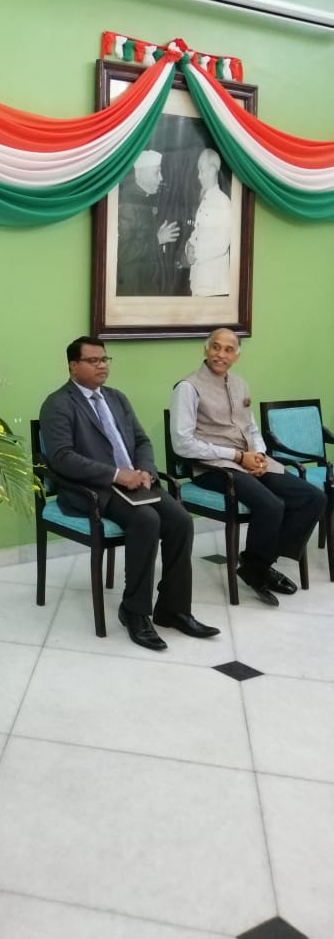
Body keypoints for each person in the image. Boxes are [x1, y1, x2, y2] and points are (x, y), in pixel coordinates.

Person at [40, 336, 218, 650]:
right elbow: (62, 458)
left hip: (135, 484)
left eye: (104, 359)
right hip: (94, 490)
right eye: (93, 361)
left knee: (180, 520)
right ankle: (134, 611)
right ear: (73, 366)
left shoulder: (117, 398)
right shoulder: (58, 404)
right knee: (146, 521)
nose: (102, 366)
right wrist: (116, 475)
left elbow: (142, 441)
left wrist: (146, 470)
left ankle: (173, 608)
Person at [170, 327, 326, 605]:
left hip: (249, 461)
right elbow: (182, 443)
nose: (221, 354)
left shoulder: (240, 384)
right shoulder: (187, 387)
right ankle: (258, 568)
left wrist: (260, 455)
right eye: (216, 347)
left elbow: (251, 428)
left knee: (313, 497)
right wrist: (237, 456)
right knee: (272, 505)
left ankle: (258, 564)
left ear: (237, 356)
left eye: (228, 349)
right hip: (213, 467)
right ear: (206, 349)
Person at [116, 149, 181, 296]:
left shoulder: (143, 198)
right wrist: (158, 239)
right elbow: (123, 251)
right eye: (156, 172)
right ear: (140, 174)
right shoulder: (128, 203)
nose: (161, 178)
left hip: (144, 286)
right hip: (133, 289)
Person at [185, 148, 231, 297]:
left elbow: (222, 244)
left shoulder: (222, 201)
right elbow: (197, 233)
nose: (199, 176)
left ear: (212, 171)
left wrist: (196, 253)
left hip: (213, 286)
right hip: (199, 282)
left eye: (202, 170)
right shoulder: (205, 200)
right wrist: (188, 246)